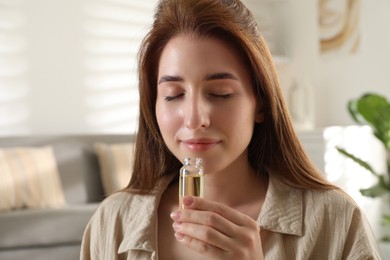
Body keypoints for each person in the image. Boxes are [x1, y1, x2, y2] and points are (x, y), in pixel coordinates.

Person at [80, 0, 381, 259]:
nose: (194, 119)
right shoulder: (112, 223)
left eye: (220, 93)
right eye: (173, 95)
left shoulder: (337, 221)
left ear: (261, 103)